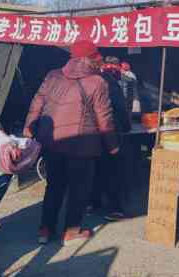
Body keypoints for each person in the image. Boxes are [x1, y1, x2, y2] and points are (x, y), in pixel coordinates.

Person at [24, 40, 119, 245]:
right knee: (79, 189)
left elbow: (37, 103)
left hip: (52, 142)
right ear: (92, 58)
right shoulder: (97, 81)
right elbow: (105, 117)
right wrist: (112, 145)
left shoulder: (53, 75)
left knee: (54, 186)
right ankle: (71, 231)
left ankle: (45, 230)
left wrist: (28, 130)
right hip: (82, 146)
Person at [90, 57, 132, 221]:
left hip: (88, 134)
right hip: (108, 132)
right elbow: (120, 108)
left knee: (94, 168)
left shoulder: (82, 80)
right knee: (112, 170)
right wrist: (126, 126)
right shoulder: (109, 82)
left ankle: (93, 203)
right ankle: (115, 208)